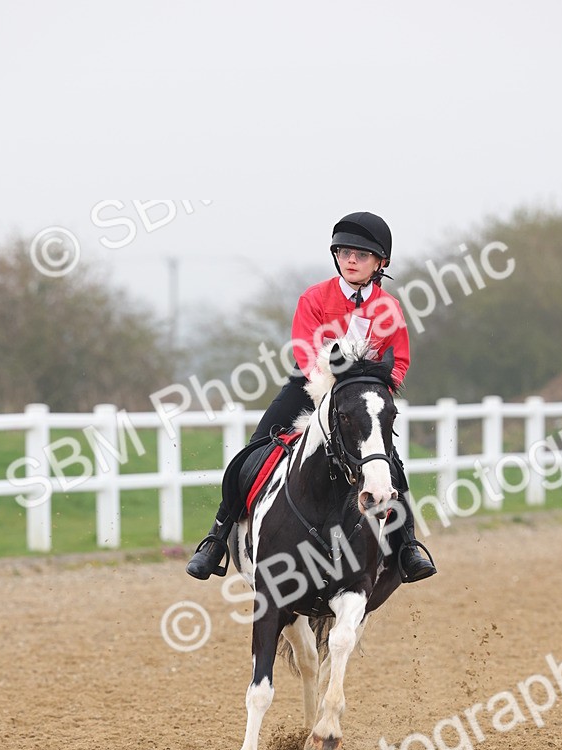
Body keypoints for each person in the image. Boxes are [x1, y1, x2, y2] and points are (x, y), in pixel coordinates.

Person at [185, 211, 436, 584]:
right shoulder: (315, 297)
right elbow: (305, 349)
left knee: (391, 465)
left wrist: (379, 388)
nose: (351, 260)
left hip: (362, 396)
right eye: (344, 252)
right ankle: (217, 538)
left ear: (381, 262)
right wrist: (325, 388)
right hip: (310, 389)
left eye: (361, 255)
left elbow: (398, 360)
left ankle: (407, 546)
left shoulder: (390, 308)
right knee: (251, 454)